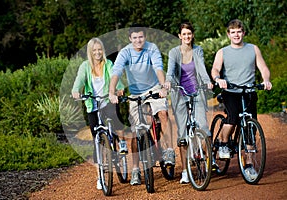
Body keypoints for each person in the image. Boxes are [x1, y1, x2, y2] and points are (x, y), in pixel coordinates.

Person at [109, 24, 174, 185]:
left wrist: (163, 86)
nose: (138, 40)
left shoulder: (152, 48)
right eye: (135, 38)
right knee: (136, 131)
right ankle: (136, 169)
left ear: (145, 37)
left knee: (163, 113)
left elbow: (158, 67)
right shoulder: (125, 52)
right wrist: (111, 92)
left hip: (153, 88)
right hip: (135, 93)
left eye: (141, 37)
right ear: (130, 39)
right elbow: (116, 71)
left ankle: (169, 151)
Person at [211, 19, 272, 179]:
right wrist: (218, 79)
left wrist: (266, 80)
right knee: (232, 118)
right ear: (228, 34)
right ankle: (223, 143)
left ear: (243, 33)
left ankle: (250, 165)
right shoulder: (223, 52)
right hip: (230, 90)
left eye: (239, 31)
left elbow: (263, 67)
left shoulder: (253, 49)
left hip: (249, 91)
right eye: (233, 32)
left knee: (250, 129)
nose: (236, 34)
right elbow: (215, 68)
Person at [72, 37, 127, 190]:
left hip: (107, 100)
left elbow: (115, 76)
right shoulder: (85, 66)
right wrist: (76, 91)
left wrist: (119, 89)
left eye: (99, 49)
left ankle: (121, 143)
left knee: (116, 120)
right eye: (94, 50)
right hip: (93, 104)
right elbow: (79, 80)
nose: (97, 52)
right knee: (97, 139)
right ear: (90, 52)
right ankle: (100, 176)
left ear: (103, 50)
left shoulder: (108, 64)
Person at [164, 21, 213, 184]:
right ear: (179, 36)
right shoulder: (174, 52)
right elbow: (171, 71)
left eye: (189, 34)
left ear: (192, 35)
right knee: (183, 135)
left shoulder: (197, 50)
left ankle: (207, 160)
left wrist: (207, 82)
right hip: (179, 92)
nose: (187, 37)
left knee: (203, 128)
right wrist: (168, 82)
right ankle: (185, 171)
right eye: (184, 34)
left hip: (197, 91)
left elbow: (202, 68)